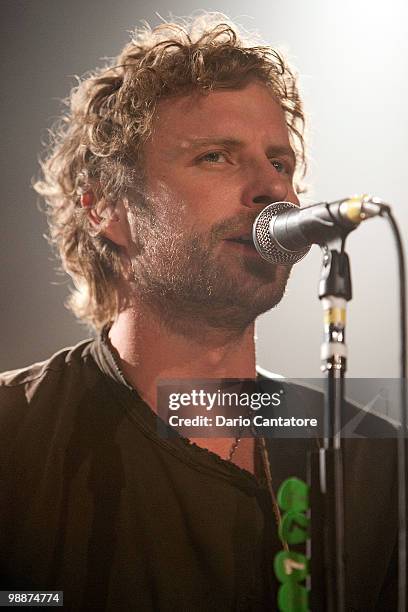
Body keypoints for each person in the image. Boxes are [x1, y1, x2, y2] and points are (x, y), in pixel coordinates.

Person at [0, 15, 399, 611]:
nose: (273, 190)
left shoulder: (369, 457)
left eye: (281, 163)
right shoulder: (15, 433)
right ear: (105, 206)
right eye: (217, 156)